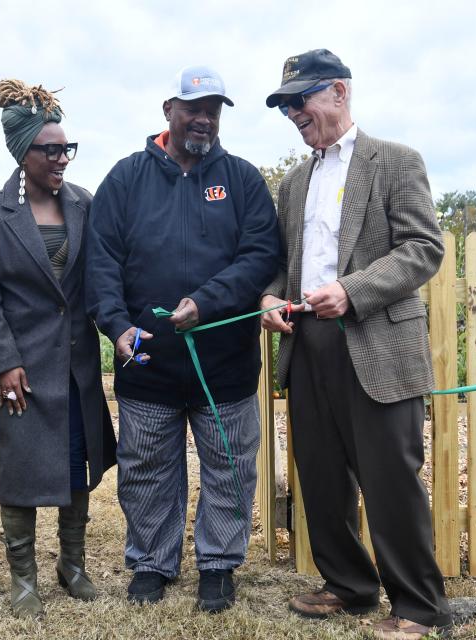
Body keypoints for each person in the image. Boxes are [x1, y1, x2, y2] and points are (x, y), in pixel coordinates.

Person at [259, 49, 452, 639]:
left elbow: (425, 247)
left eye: (303, 99)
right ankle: (349, 585)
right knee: (320, 474)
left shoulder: (395, 162)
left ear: (340, 93)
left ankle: (420, 607)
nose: (294, 112)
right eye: (286, 104)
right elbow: (279, 264)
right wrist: (270, 298)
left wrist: (351, 290)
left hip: (376, 343)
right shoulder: (294, 181)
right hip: (307, 343)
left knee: (390, 476)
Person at [86, 65, 280, 613]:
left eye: (213, 111)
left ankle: (218, 565)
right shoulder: (125, 179)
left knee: (230, 465)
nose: (203, 120)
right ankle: (151, 562)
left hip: (226, 362)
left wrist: (210, 300)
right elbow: (101, 264)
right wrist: (117, 325)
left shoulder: (241, 179)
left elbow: (261, 255)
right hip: (146, 359)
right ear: (167, 111)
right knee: (146, 467)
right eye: (193, 108)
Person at [0, 80, 117, 618]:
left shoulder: (84, 204)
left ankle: (71, 565)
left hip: (76, 365)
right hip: (22, 369)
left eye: (66, 149)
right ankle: (24, 577)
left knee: (78, 464)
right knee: (23, 470)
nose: (61, 159)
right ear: (21, 154)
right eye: (49, 150)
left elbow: (99, 279)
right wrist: (4, 363)